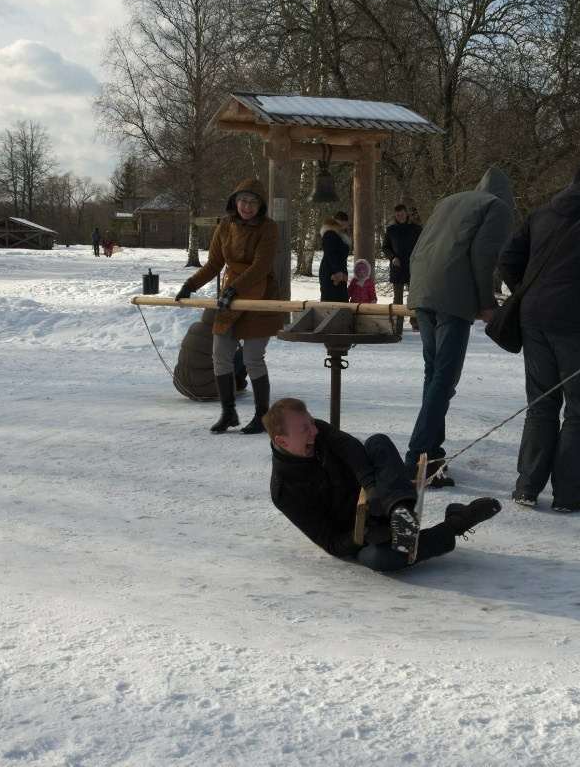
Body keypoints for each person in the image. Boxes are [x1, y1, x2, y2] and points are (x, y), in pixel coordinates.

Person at [497, 157, 580, 512]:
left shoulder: (541, 213)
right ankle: (568, 494)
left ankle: (526, 487)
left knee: (541, 405)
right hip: (577, 325)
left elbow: (508, 259)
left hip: (534, 321)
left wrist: (527, 294)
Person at [264, 397, 501, 573]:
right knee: (381, 559)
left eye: (312, 423)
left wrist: (371, 487)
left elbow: (351, 447)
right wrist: (365, 533)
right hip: (364, 532)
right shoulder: (285, 492)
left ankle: (401, 511)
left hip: (385, 494)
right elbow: (331, 543)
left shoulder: (319, 432)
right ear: (281, 441)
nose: (314, 430)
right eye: (304, 429)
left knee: (377, 442)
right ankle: (456, 523)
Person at [405, 167, 515, 487]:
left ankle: (431, 453)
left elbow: (420, 248)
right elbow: (483, 258)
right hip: (453, 298)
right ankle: (417, 459)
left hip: (423, 291)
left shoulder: (448, 201)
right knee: (444, 377)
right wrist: (487, 304)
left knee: (433, 374)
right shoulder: (497, 208)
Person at [175, 178, 282, 434]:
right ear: (235, 201)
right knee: (220, 356)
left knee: (253, 358)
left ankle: (261, 416)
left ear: (261, 205)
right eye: (243, 200)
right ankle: (228, 412)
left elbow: (261, 266)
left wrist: (234, 289)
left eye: (253, 201)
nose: (247, 206)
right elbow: (214, 264)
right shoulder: (224, 227)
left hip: (260, 295)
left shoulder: (268, 228)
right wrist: (190, 285)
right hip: (229, 299)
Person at [381, 204, 422, 327]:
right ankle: (397, 324)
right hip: (397, 268)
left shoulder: (416, 228)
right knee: (397, 299)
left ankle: (415, 322)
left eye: (402, 214)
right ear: (395, 216)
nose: (400, 217)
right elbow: (385, 247)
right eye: (398, 215)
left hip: (413, 267)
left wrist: (419, 259)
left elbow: (423, 245)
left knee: (414, 298)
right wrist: (392, 257)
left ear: (407, 213)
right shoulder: (391, 230)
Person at [318, 210, 351, 302]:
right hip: (330, 270)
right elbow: (330, 254)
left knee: (341, 299)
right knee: (330, 299)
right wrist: (338, 271)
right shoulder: (330, 233)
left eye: (345, 221)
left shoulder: (342, 235)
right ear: (335, 221)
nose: (343, 223)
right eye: (340, 220)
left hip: (339, 271)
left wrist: (343, 272)